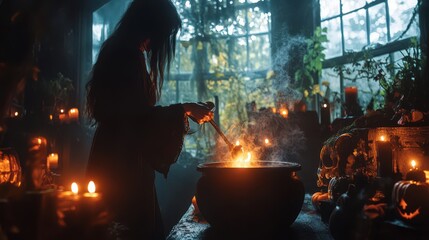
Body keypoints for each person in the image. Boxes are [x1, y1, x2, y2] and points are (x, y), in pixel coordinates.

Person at [85, 0, 213, 239]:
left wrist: (185, 110)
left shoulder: (125, 51)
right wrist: (184, 109)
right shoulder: (125, 56)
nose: (161, 41)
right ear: (151, 26)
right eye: (163, 32)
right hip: (120, 166)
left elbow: (136, 116)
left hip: (124, 160)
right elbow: (133, 119)